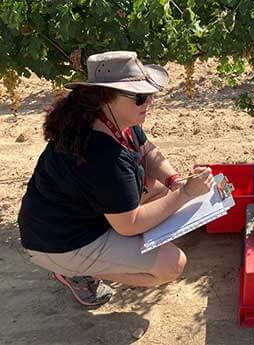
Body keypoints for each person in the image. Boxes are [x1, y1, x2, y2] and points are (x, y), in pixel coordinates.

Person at [17, 51, 213, 307]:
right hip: (60, 242)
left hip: (73, 219)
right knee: (171, 264)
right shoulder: (102, 155)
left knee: (160, 191)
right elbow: (129, 225)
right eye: (140, 97)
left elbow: (146, 149)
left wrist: (174, 181)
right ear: (106, 96)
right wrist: (185, 193)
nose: (149, 102)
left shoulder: (109, 119)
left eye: (150, 94)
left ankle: (108, 256)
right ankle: (75, 272)